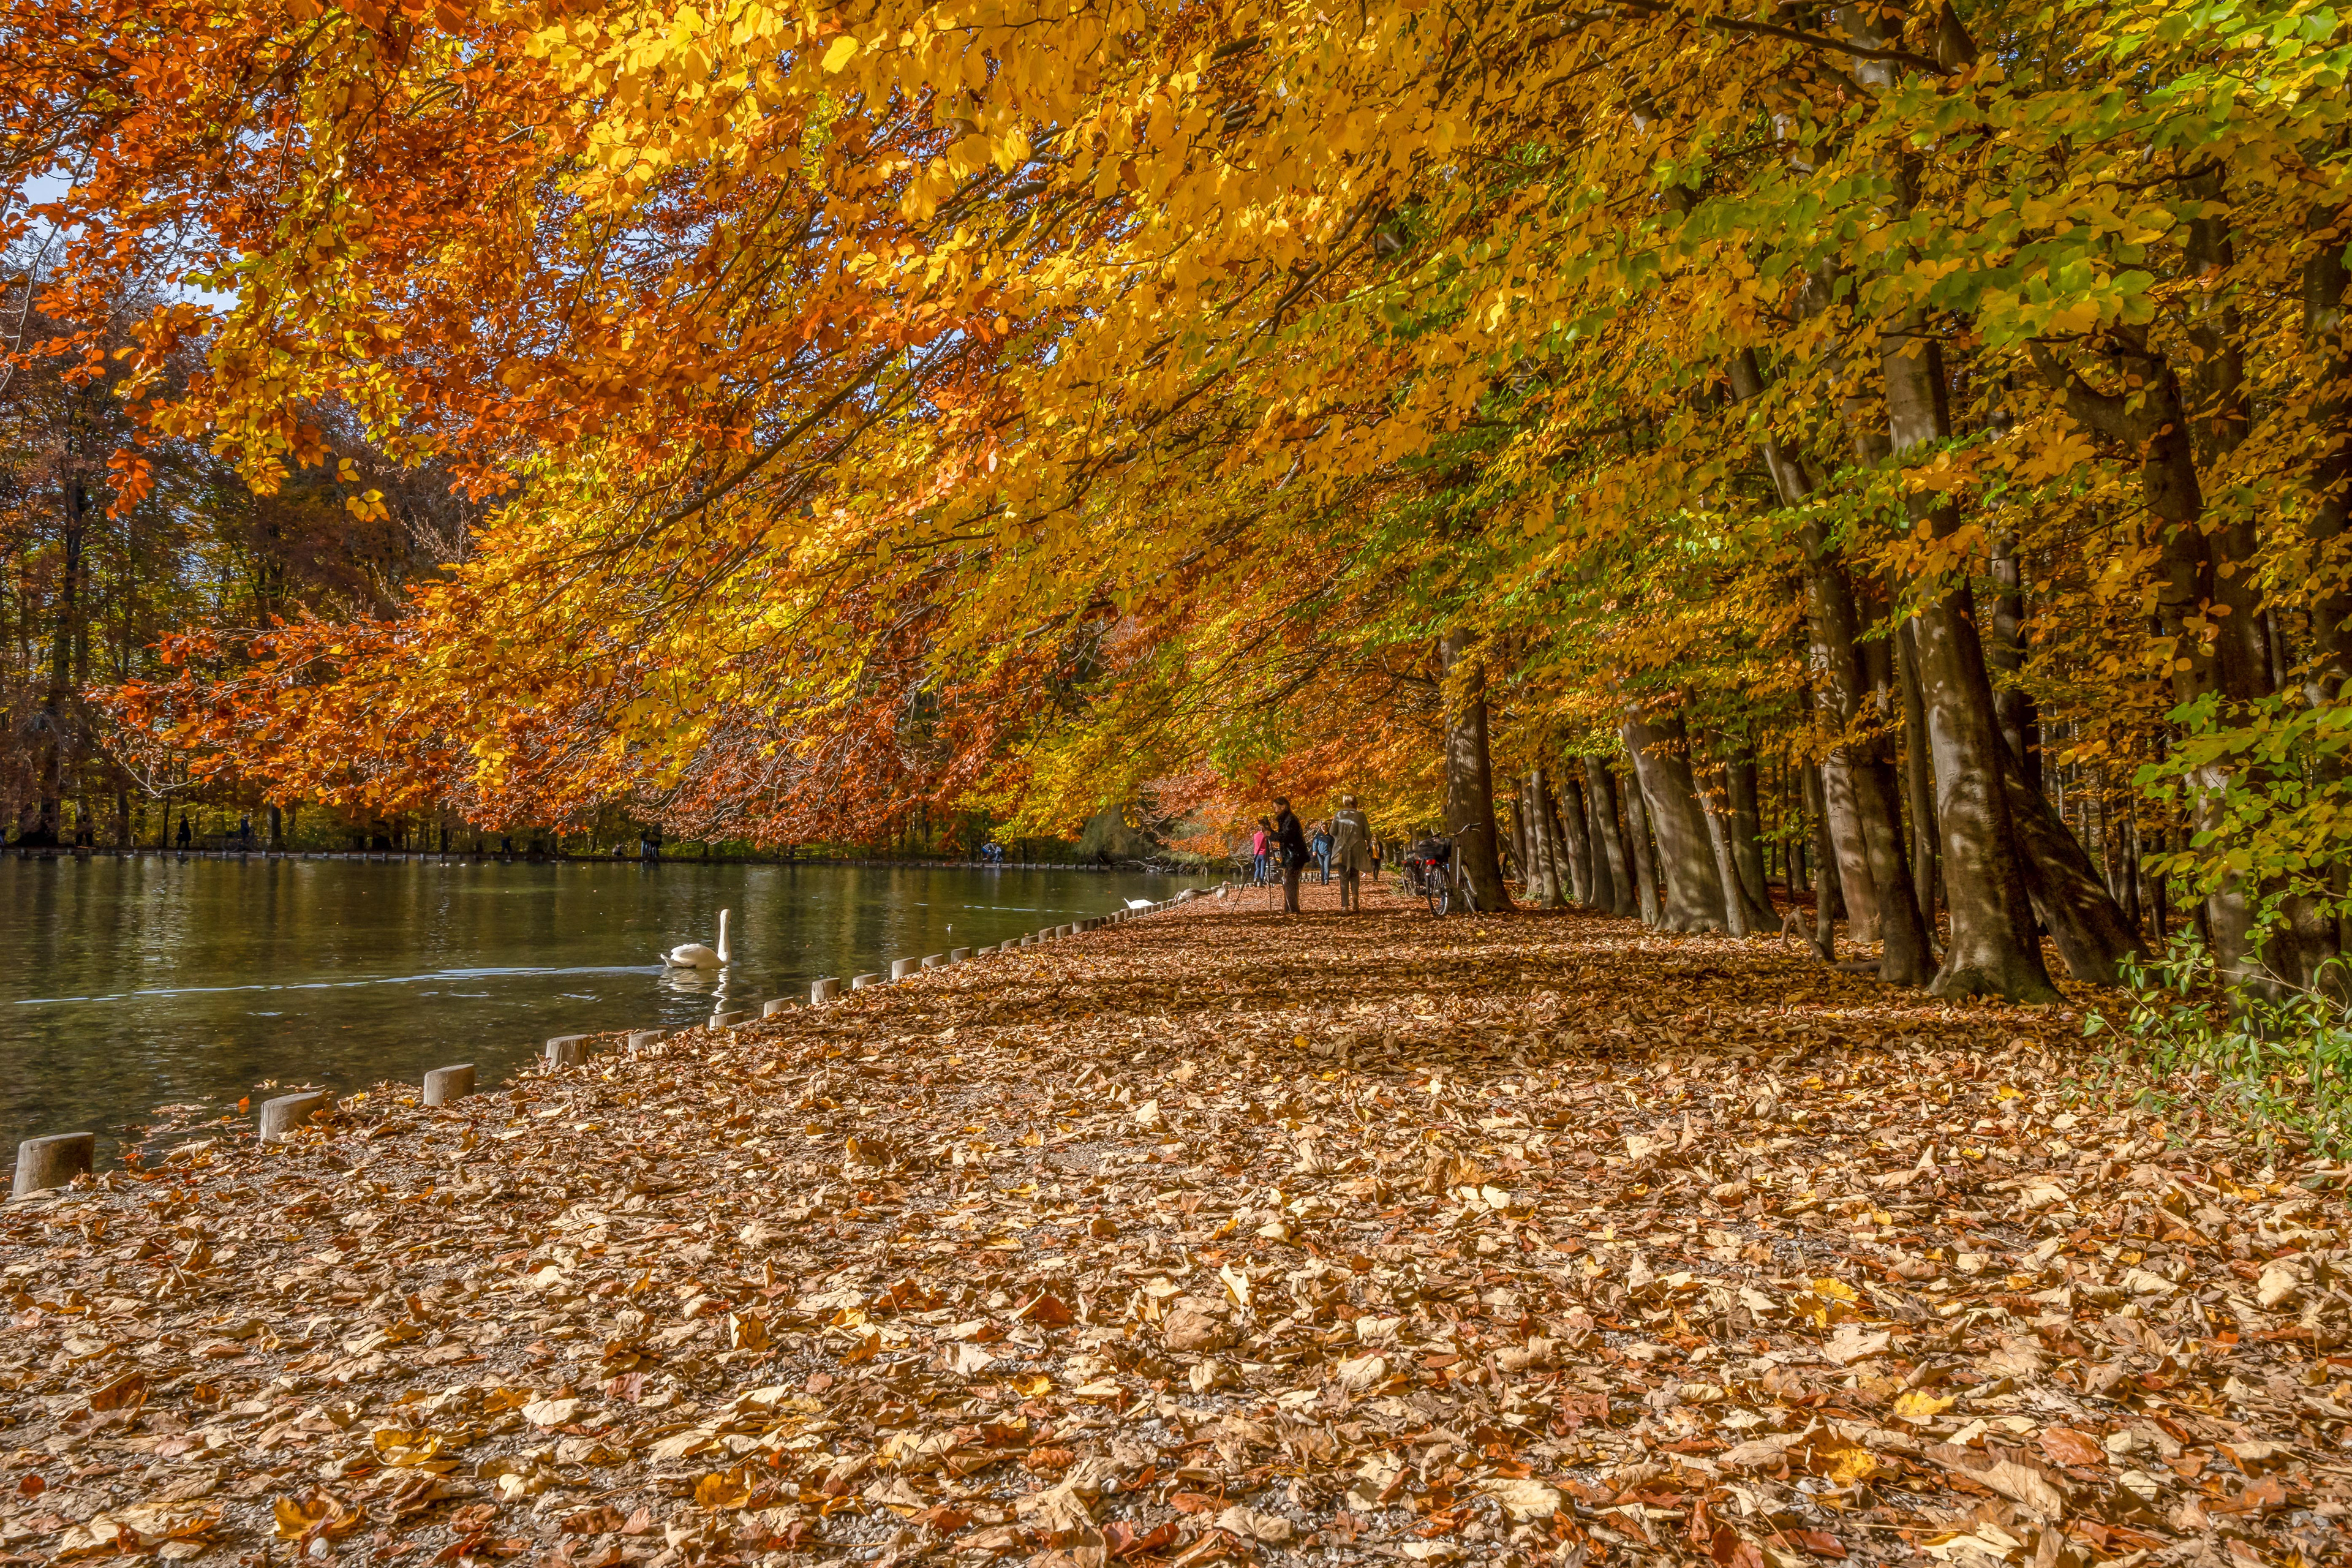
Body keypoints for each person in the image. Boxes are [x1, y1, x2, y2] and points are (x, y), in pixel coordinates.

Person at [1330, 794, 1375, 911]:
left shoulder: (1339, 814)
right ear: (1355, 803)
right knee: (1355, 875)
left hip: (1341, 849)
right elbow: (1368, 834)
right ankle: (1355, 897)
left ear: (1345, 804)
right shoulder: (1361, 815)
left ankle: (1345, 905)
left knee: (1343, 877)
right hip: (1357, 849)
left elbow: (1332, 831)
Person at [1272, 797, 1309, 914]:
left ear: (1283, 807)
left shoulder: (1290, 820)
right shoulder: (1286, 820)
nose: (1275, 810)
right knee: (1289, 882)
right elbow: (1284, 836)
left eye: (1276, 807)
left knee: (1289, 882)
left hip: (1295, 855)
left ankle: (1293, 910)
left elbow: (1286, 837)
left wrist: (1271, 834)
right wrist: (1271, 833)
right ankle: (1290, 909)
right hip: (1291, 855)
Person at [1311, 820, 1333, 884]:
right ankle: (1322, 880)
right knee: (1322, 867)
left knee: (1327, 867)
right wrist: (1314, 851)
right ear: (1321, 828)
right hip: (1320, 854)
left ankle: (1326, 880)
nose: (1324, 828)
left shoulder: (1330, 836)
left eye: (1325, 827)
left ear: (1327, 827)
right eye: (1322, 827)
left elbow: (1333, 845)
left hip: (1328, 853)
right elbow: (1315, 843)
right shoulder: (1318, 835)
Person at [1251, 818, 1272, 884]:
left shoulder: (1255, 835)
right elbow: (1268, 844)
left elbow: (1255, 843)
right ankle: (1261, 883)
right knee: (1263, 868)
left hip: (1256, 853)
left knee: (1258, 868)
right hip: (1263, 853)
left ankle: (1255, 878)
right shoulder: (1265, 836)